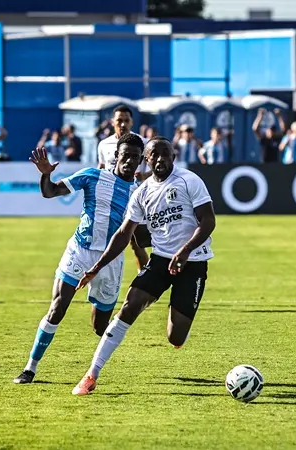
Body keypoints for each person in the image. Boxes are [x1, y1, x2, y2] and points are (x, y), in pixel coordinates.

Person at [70, 137, 216, 396]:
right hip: (160, 260)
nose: (160, 159)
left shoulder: (189, 181)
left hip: (193, 262)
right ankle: (91, 374)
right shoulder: (141, 193)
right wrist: (97, 266)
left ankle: (178, 316)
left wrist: (185, 251)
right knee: (130, 305)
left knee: (175, 337)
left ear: (173, 156)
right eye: (154, 155)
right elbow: (124, 234)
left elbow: (208, 221)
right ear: (146, 160)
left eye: (165, 154)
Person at [12, 135, 144, 384]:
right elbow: (50, 192)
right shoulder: (92, 176)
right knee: (57, 308)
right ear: (116, 155)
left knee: (99, 326)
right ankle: (30, 368)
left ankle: (100, 361)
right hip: (80, 251)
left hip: (110, 261)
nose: (129, 161)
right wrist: (45, 175)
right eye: (125, 155)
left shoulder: (140, 193)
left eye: (135, 157)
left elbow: (138, 235)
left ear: (140, 161)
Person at [96, 105, 152, 270]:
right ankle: (100, 274)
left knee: (137, 243)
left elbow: (156, 168)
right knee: (103, 240)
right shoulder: (104, 144)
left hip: (134, 197)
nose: (123, 124)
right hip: (110, 199)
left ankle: (145, 275)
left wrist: (144, 176)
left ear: (131, 122)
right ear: (112, 122)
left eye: (126, 120)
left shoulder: (143, 143)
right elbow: (101, 166)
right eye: (119, 120)